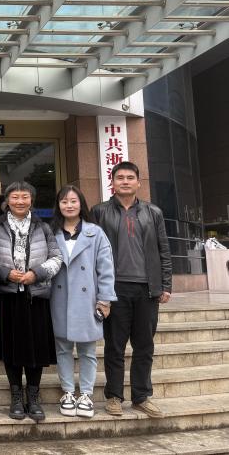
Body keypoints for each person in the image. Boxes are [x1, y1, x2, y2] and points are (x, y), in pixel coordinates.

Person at [91, 161, 172, 419]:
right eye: (120, 177)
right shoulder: (99, 212)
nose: (125, 181)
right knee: (114, 345)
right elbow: (92, 252)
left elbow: (163, 250)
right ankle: (114, 396)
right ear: (112, 182)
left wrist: (166, 285)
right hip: (113, 289)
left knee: (144, 345)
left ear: (138, 182)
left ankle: (141, 396)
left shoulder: (153, 212)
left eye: (129, 177)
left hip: (147, 289)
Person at [0, 181, 62, 422]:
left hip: (36, 295)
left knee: (37, 347)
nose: (20, 201)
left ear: (32, 200)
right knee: (11, 348)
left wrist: (37, 273)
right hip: (8, 295)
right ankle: (15, 396)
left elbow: (57, 257)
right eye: (15, 197)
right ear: (7, 201)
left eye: (24, 197)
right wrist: (4, 272)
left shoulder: (43, 227)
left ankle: (33, 396)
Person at [50, 185, 116, 418]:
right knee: (63, 349)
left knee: (88, 350)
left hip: (87, 300)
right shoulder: (52, 232)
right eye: (64, 201)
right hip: (59, 298)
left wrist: (105, 300)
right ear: (58, 205)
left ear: (81, 204)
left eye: (73, 201)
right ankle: (68, 392)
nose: (69, 205)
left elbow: (106, 269)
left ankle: (86, 394)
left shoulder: (95, 232)